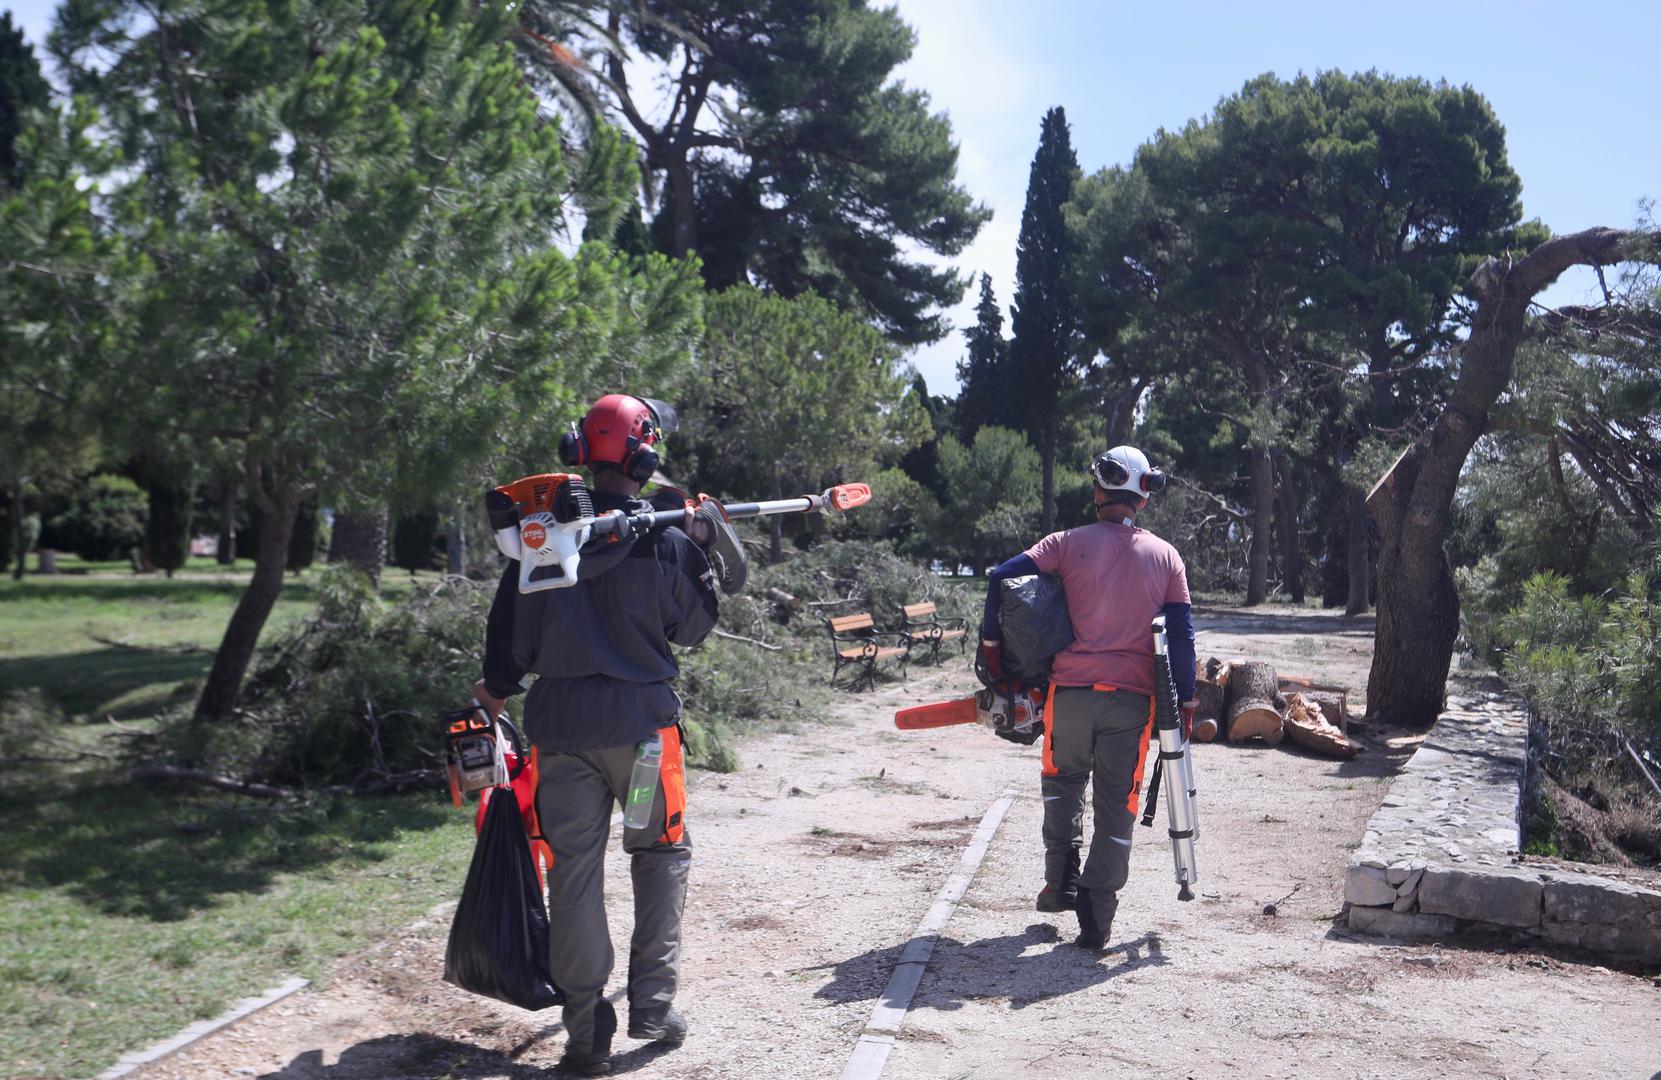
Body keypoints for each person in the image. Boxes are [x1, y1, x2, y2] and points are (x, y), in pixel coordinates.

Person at [472, 393, 745, 1076]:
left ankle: (585, 1030)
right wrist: (701, 548)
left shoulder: (537, 542)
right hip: (643, 742)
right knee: (658, 854)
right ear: (644, 457)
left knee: (573, 872)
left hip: (563, 739)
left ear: (579, 452)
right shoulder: (667, 541)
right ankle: (652, 1003)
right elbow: (695, 628)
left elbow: (507, 651)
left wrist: (493, 692)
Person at [978, 445, 1198, 950]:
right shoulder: (1167, 558)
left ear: (1099, 490)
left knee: (1062, 784)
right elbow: (1182, 640)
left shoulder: (1065, 543)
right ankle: (1096, 917)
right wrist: (1185, 702)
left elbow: (1002, 577)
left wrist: (992, 647)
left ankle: (1060, 883)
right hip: (1132, 703)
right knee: (1117, 804)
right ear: (1144, 496)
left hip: (1069, 697)